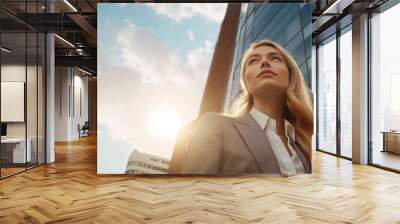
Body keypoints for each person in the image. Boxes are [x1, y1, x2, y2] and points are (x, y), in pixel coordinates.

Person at [169, 40, 313, 176]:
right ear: (246, 81)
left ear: (290, 74)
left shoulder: (305, 144)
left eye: (275, 58)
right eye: (253, 61)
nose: (264, 62)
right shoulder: (215, 125)